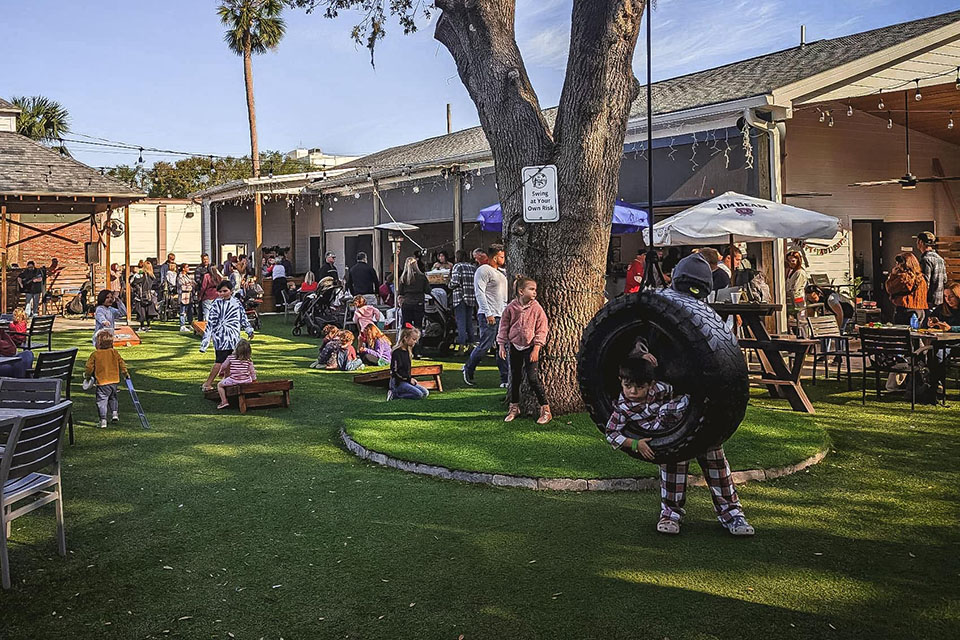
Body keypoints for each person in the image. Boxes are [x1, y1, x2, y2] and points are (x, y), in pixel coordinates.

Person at [606, 352, 754, 537]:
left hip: (694, 426)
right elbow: (612, 434)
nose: (633, 392)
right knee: (672, 467)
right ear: (621, 381)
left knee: (715, 464)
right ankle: (670, 515)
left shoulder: (659, 389)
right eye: (628, 386)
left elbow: (679, 389)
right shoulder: (622, 408)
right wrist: (635, 444)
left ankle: (732, 514)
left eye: (640, 387)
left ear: (650, 385)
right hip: (665, 437)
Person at [498, 275, 551, 424]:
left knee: (532, 378)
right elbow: (503, 327)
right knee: (515, 378)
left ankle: (545, 409)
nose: (535, 292)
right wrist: (501, 344)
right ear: (521, 291)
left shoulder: (537, 308)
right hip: (514, 346)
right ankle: (514, 407)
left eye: (535, 290)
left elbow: (542, 328)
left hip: (530, 348)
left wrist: (536, 348)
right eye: (531, 289)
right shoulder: (511, 308)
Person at [463, 244, 509, 387]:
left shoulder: (501, 273)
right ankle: (468, 368)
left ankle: (505, 378)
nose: (503, 259)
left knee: (502, 346)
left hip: (501, 313)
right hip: (489, 314)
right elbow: (479, 292)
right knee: (486, 345)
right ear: (495, 257)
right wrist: (487, 312)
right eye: (501, 256)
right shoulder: (483, 270)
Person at [200, 281, 254, 393]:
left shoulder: (236, 302)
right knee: (219, 361)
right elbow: (210, 323)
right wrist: (205, 341)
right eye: (220, 291)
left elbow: (243, 317)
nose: (222, 293)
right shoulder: (216, 303)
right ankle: (208, 383)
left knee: (232, 360)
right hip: (220, 338)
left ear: (231, 291)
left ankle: (226, 381)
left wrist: (249, 330)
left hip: (234, 337)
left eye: (225, 291)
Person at [83, 329, 129, 428]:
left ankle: (103, 420)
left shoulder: (95, 354)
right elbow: (122, 364)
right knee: (113, 397)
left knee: (102, 401)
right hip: (114, 381)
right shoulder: (114, 352)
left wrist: (87, 376)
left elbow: (89, 367)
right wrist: (125, 374)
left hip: (102, 382)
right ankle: (114, 413)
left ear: (98, 342)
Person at [397, 257, 430, 358]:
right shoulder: (422, 277)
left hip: (407, 303)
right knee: (418, 327)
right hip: (418, 303)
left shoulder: (404, 277)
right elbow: (428, 290)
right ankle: (418, 350)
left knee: (406, 327)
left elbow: (400, 292)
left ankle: (404, 348)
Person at [885, 252, 928, 326]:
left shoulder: (904, 278)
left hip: (905, 310)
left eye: (898, 263)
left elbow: (890, 288)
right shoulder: (922, 278)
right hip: (920, 310)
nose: (897, 265)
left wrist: (893, 275)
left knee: (904, 334)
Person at [389, 326, 429, 400]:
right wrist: (408, 379)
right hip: (398, 382)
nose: (415, 342)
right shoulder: (397, 353)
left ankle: (401, 392)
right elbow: (396, 371)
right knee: (419, 395)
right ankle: (395, 395)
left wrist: (410, 379)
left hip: (406, 381)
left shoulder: (408, 352)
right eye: (413, 339)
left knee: (425, 393)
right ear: (405, 338)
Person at [449, 249, 478, 352]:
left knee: (460, 322)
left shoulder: (458, 266)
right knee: (469, 321)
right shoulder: (473, 267)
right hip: (470, 297)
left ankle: (461, 345)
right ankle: (471, 343)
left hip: (460, 297)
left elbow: (455, 282)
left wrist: (449, 284)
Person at [215, 339, 256, 409]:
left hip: (234, 380)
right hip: (246, 380)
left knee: (219, 385)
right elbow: (252, 371)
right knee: (248, 378)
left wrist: (221, 373)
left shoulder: (230, 358)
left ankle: (224, 401)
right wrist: (254, 380)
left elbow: (224, 366)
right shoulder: (249, 360)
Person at [917, 231, 946, 313]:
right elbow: (945, 280)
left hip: (929, 301)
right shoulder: (940, 259)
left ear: (921, 242)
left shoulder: (925, 260)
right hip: (940, 299)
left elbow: (925, 283)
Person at [130, 261, 158, 332]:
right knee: (148, 311)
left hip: (141, 296)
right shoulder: (152, 276)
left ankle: (142, 326)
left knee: (141, 312)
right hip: (149, 296)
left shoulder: (142, 275)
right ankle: (148, 325)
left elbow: (133, 282)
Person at [176, 263, 196, 333]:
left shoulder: (188, 276)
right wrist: (189, 286)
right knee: (183, 311)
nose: (188, 268)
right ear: (183, 268)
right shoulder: (180, 276)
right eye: (187, 267)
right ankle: (182, 325)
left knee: (190, 311)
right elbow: (182, 286)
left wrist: (190, 285)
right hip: (183, 296)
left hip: (189, 296)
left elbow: (193, 284)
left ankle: (190, 324)